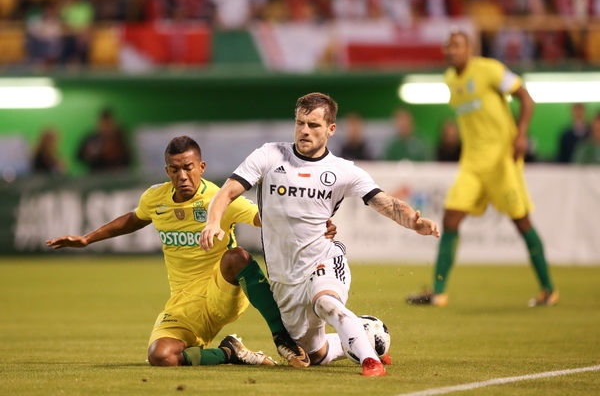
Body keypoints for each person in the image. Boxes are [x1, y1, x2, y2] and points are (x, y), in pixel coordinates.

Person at [199, 92, 440, 377]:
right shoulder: (269, 155)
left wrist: (414, 221)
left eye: (314, 125)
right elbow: (227, 191)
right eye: (300, 122)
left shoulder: (342, 171)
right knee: (315, 354)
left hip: (323, 259)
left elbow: (384, 202)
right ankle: (365, 334)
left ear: (331, 129)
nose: (304, 130)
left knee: (326, 303)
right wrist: (213, 222)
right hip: (284, 277)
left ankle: (369, 362)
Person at [47, 135, 337, 368]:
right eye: (175, 169)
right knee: (160, 356)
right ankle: (230, 353)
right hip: (183, 302)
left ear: (201, 167)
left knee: (236, 257)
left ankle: (281, 335)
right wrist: (87, 239)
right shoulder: (155, 198)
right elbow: (134, 218)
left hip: (219, 290)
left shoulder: (219, 198)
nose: (182, 175)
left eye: (188, 167)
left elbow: (265, 219)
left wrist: (313, 226)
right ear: (167, 171)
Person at [406, 30, 558, 308]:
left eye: (457, 46)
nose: (451, 51)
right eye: (448, 46)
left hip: (502, 161)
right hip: (472, 164)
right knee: (450, 219)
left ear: (470, 49)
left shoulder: (490, 70)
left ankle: (548, 289)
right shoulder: (450, 79)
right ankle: (438, 292)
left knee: (521, 222)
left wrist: (521, 133)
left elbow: (526, 98)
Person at [77, 107, 132, 172]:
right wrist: (92, 155)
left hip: (117, 174)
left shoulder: (120, 138)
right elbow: (79, 156)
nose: (105, 126)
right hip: (96, 174)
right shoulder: (91, 138)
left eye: (108, 123)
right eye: (103, 123)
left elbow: (128, 158)